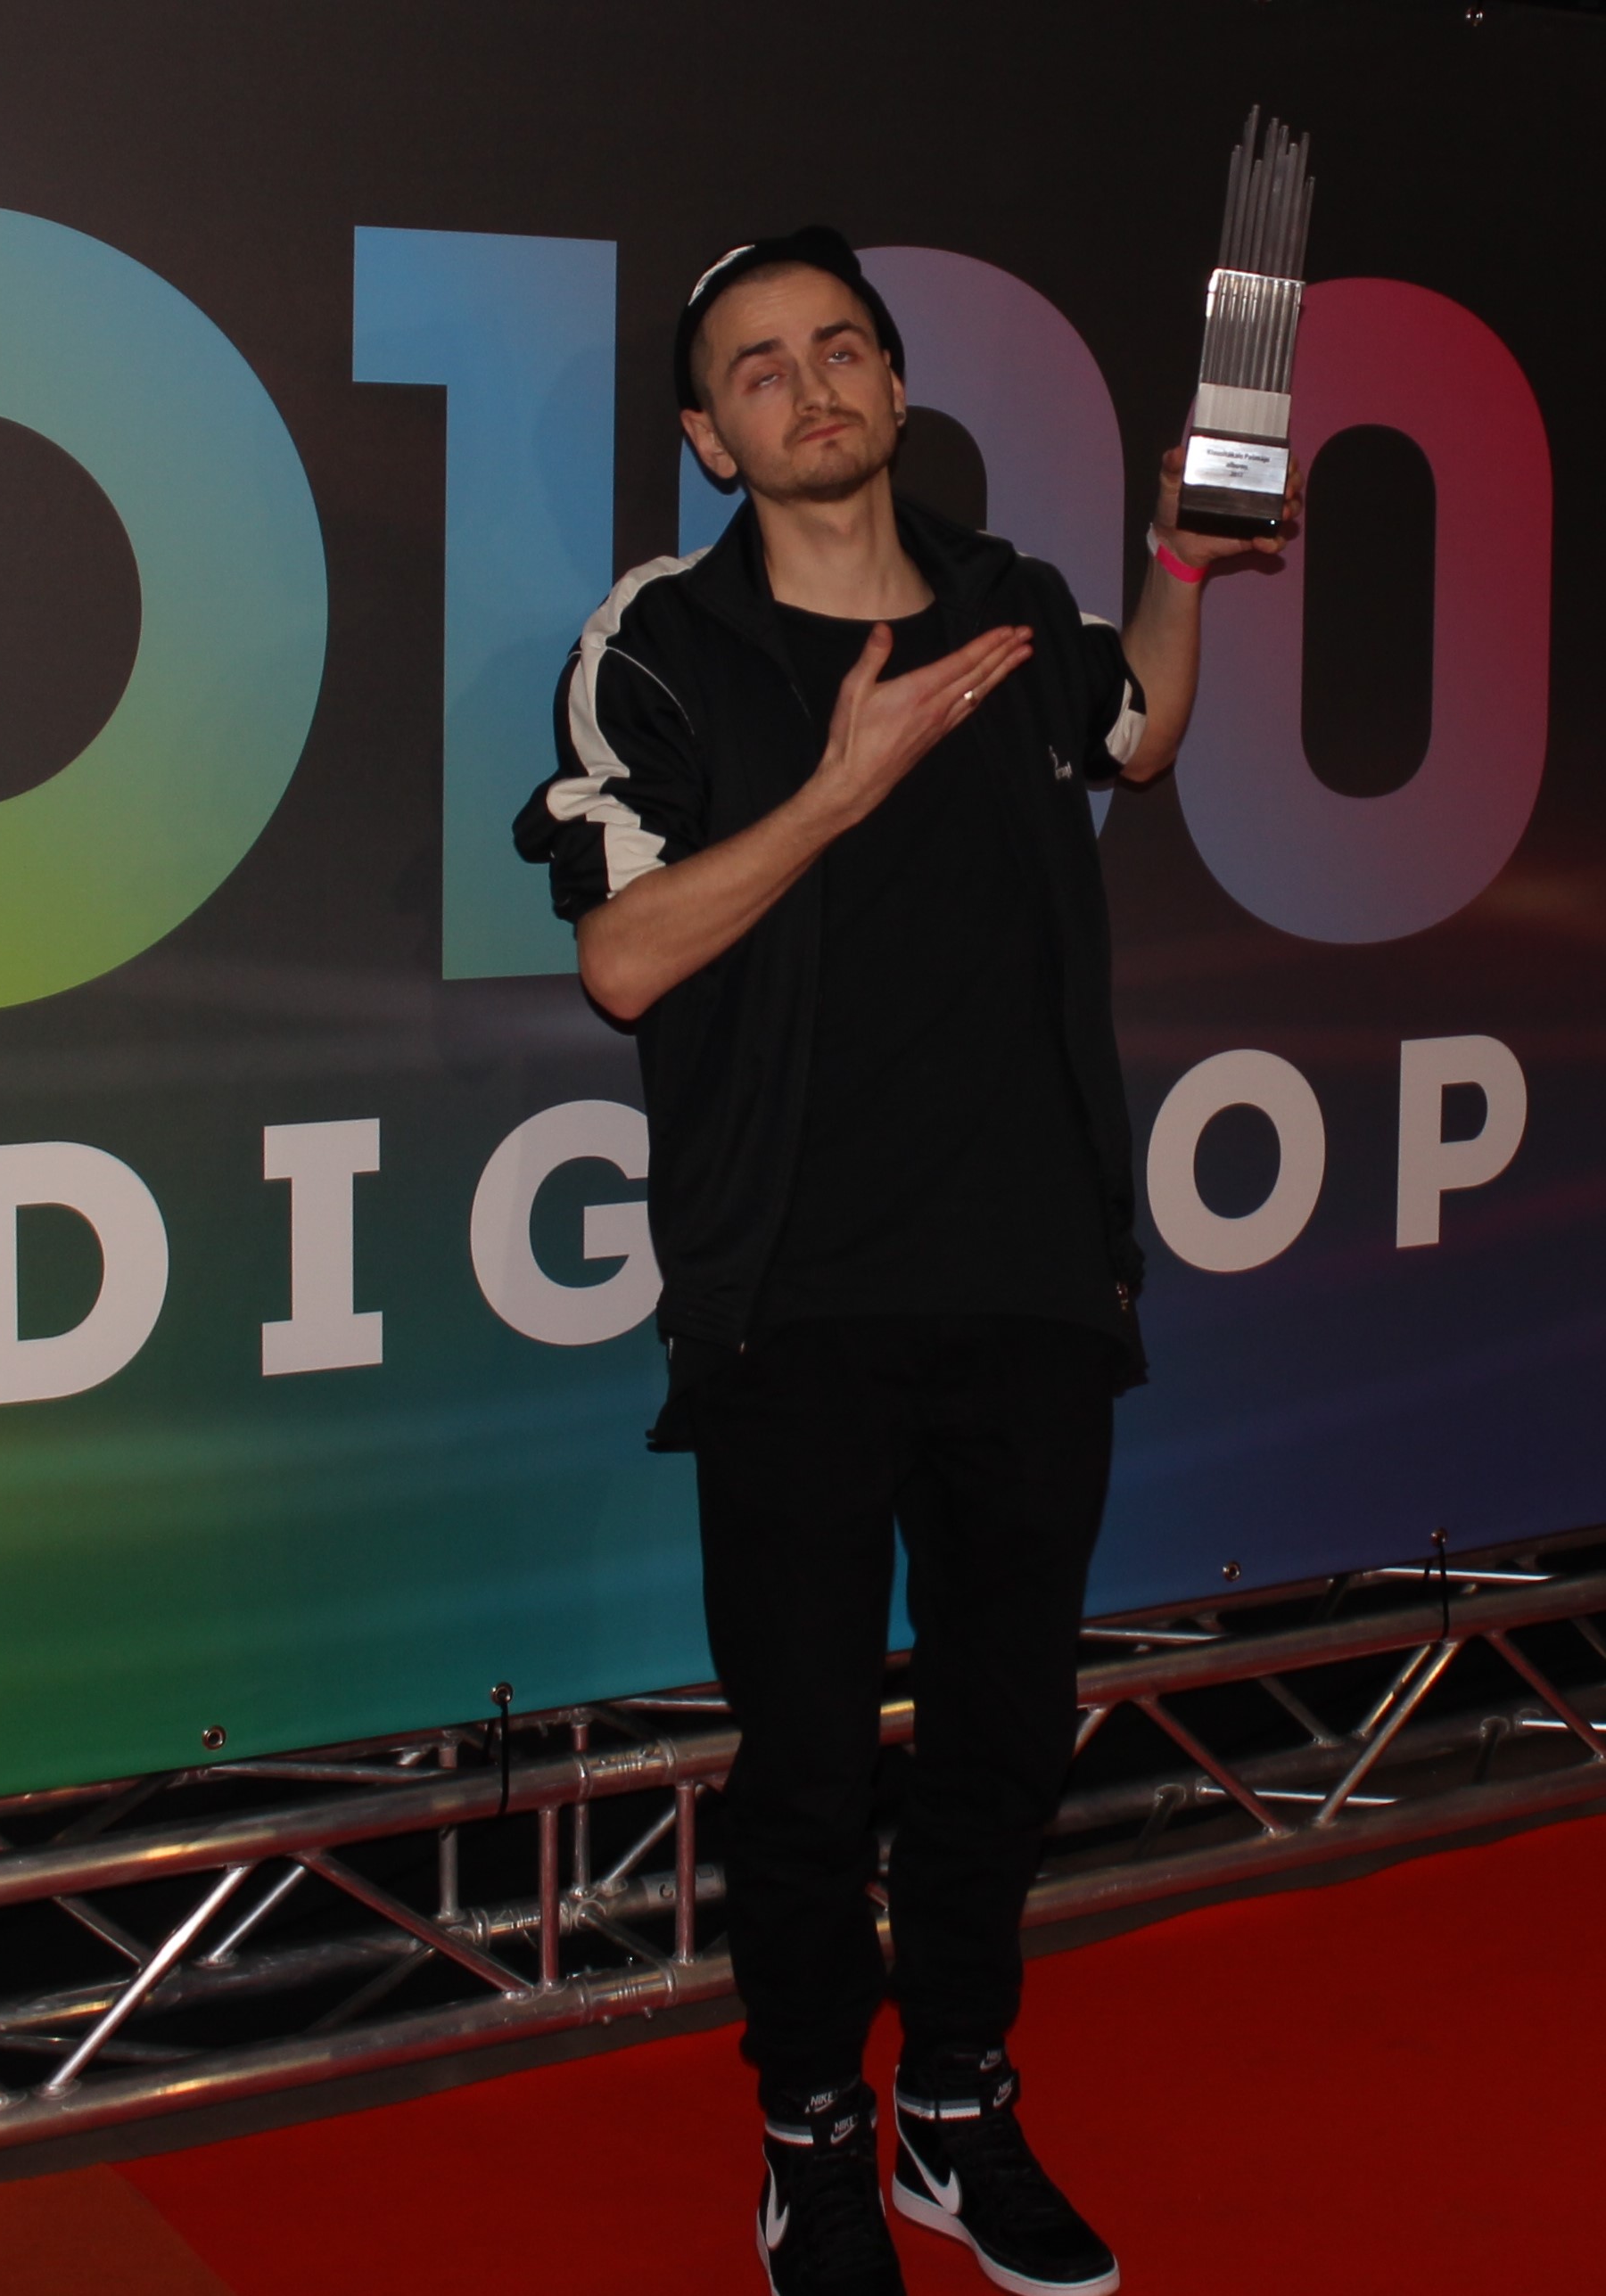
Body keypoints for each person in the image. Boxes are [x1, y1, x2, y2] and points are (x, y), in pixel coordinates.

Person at [515, 227, 1297, 2296]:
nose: (811, 384)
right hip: (794, 1296)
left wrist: (1185, 566)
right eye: (759, 366)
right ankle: (811, 2131)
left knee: (1004, 1736)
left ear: (891, 379)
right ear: (710, 434)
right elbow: (622, 961)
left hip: (1031, 1275)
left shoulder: (1011, 604)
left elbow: (1137, 732)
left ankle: (954, 2099)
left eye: (839, 344)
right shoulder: (661, 645)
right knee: (802, 1761)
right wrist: (834, 795)